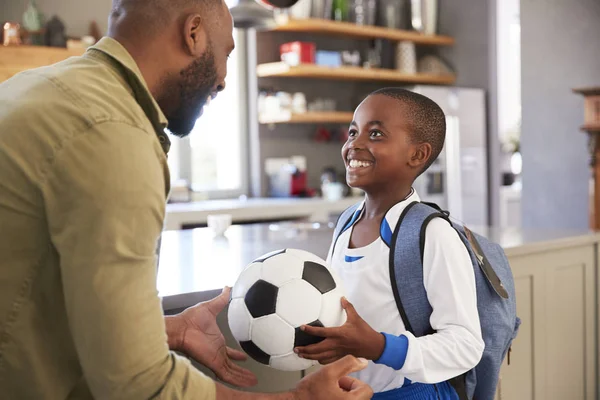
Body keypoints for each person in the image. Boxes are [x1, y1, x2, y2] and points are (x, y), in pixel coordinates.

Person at [0, 0, 373, 398]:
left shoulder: (36, 87)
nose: (225, 79)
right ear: (193, 33)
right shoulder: (111, 135)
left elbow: (32, 300)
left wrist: (163, 328)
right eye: (226, 53)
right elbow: (138, 385)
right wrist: (298, 397)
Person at [294, 88, 485, 399]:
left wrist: (378, 346)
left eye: (376, 134)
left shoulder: (432, 234)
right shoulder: (346, 223)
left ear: (418, 154)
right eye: (353, 131)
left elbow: (465, 345)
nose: (354, 144)